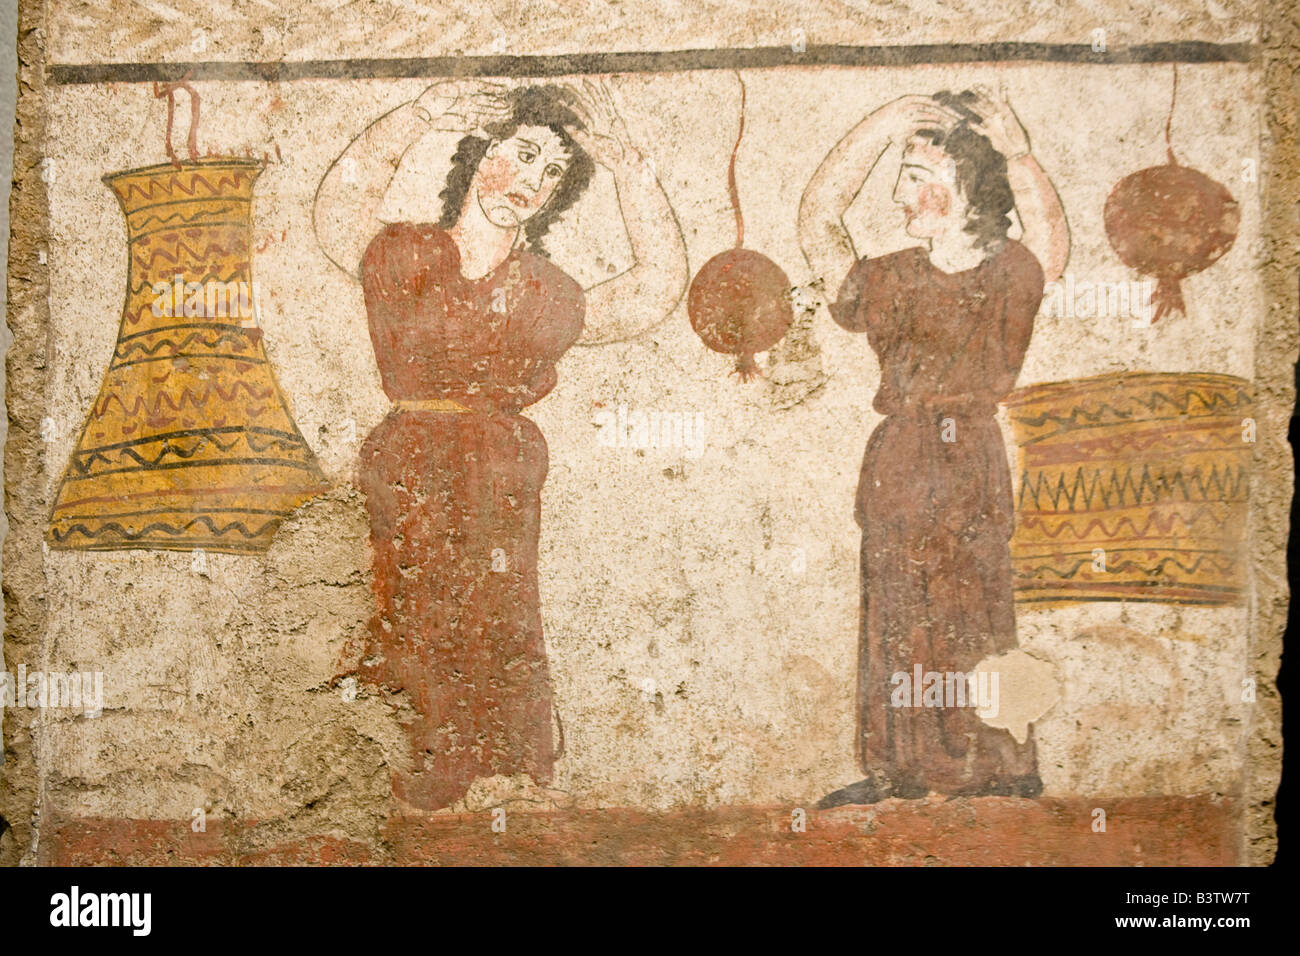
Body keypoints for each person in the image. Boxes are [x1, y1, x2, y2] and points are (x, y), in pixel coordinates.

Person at [314, 79, 687, 810]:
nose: (533, 183)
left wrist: (632, 170)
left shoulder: (543, 292)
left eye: (552, 173)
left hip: (498, 472)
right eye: (521, 156)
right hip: (409, 463)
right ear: (478, 154)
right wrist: (417, 113)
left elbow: (654, 289)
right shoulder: (408, 254)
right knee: (409, 605)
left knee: (495, 608)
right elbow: (336, 216)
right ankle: (413, 763)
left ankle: (497, 765)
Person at [797, 86, 1069, 805]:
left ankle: (1000, 768)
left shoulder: (1010, 273)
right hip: (902, 457)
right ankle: (899, 770)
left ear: (966, 190)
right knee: (895, 611)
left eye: (917, 176)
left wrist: (1017, 151)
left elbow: (1050, 243)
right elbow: (819, 218)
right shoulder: (888, 279)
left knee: (979, 604)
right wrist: (880, 124)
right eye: (901, 174)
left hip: (973, 454)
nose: (897, 192)